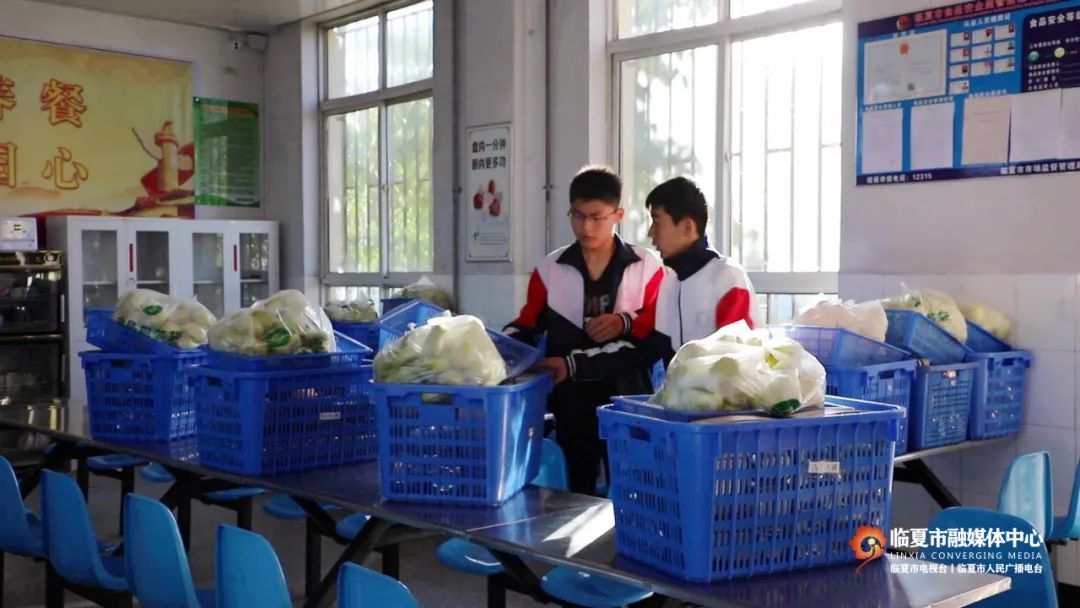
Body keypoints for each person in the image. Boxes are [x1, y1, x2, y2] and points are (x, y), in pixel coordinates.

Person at [505, 166, 665, 494]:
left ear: (618, 214)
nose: (586, 226)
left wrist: (624, 322)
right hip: (571, 401)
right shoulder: (551, 268)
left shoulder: (646, 266)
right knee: (576, 489)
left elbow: (652, 338)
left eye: (597, 217)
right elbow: (527, 325)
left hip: (628, 398)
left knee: (634, 488)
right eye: (577, 216)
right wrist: (498, 347)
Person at [646, 176, 763, 361]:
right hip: (683, 389)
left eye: (657, 222)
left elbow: (736, 365)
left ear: (687, 226)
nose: (650, 233)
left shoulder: (727, 276)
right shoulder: (670, 281)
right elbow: (664, 355)